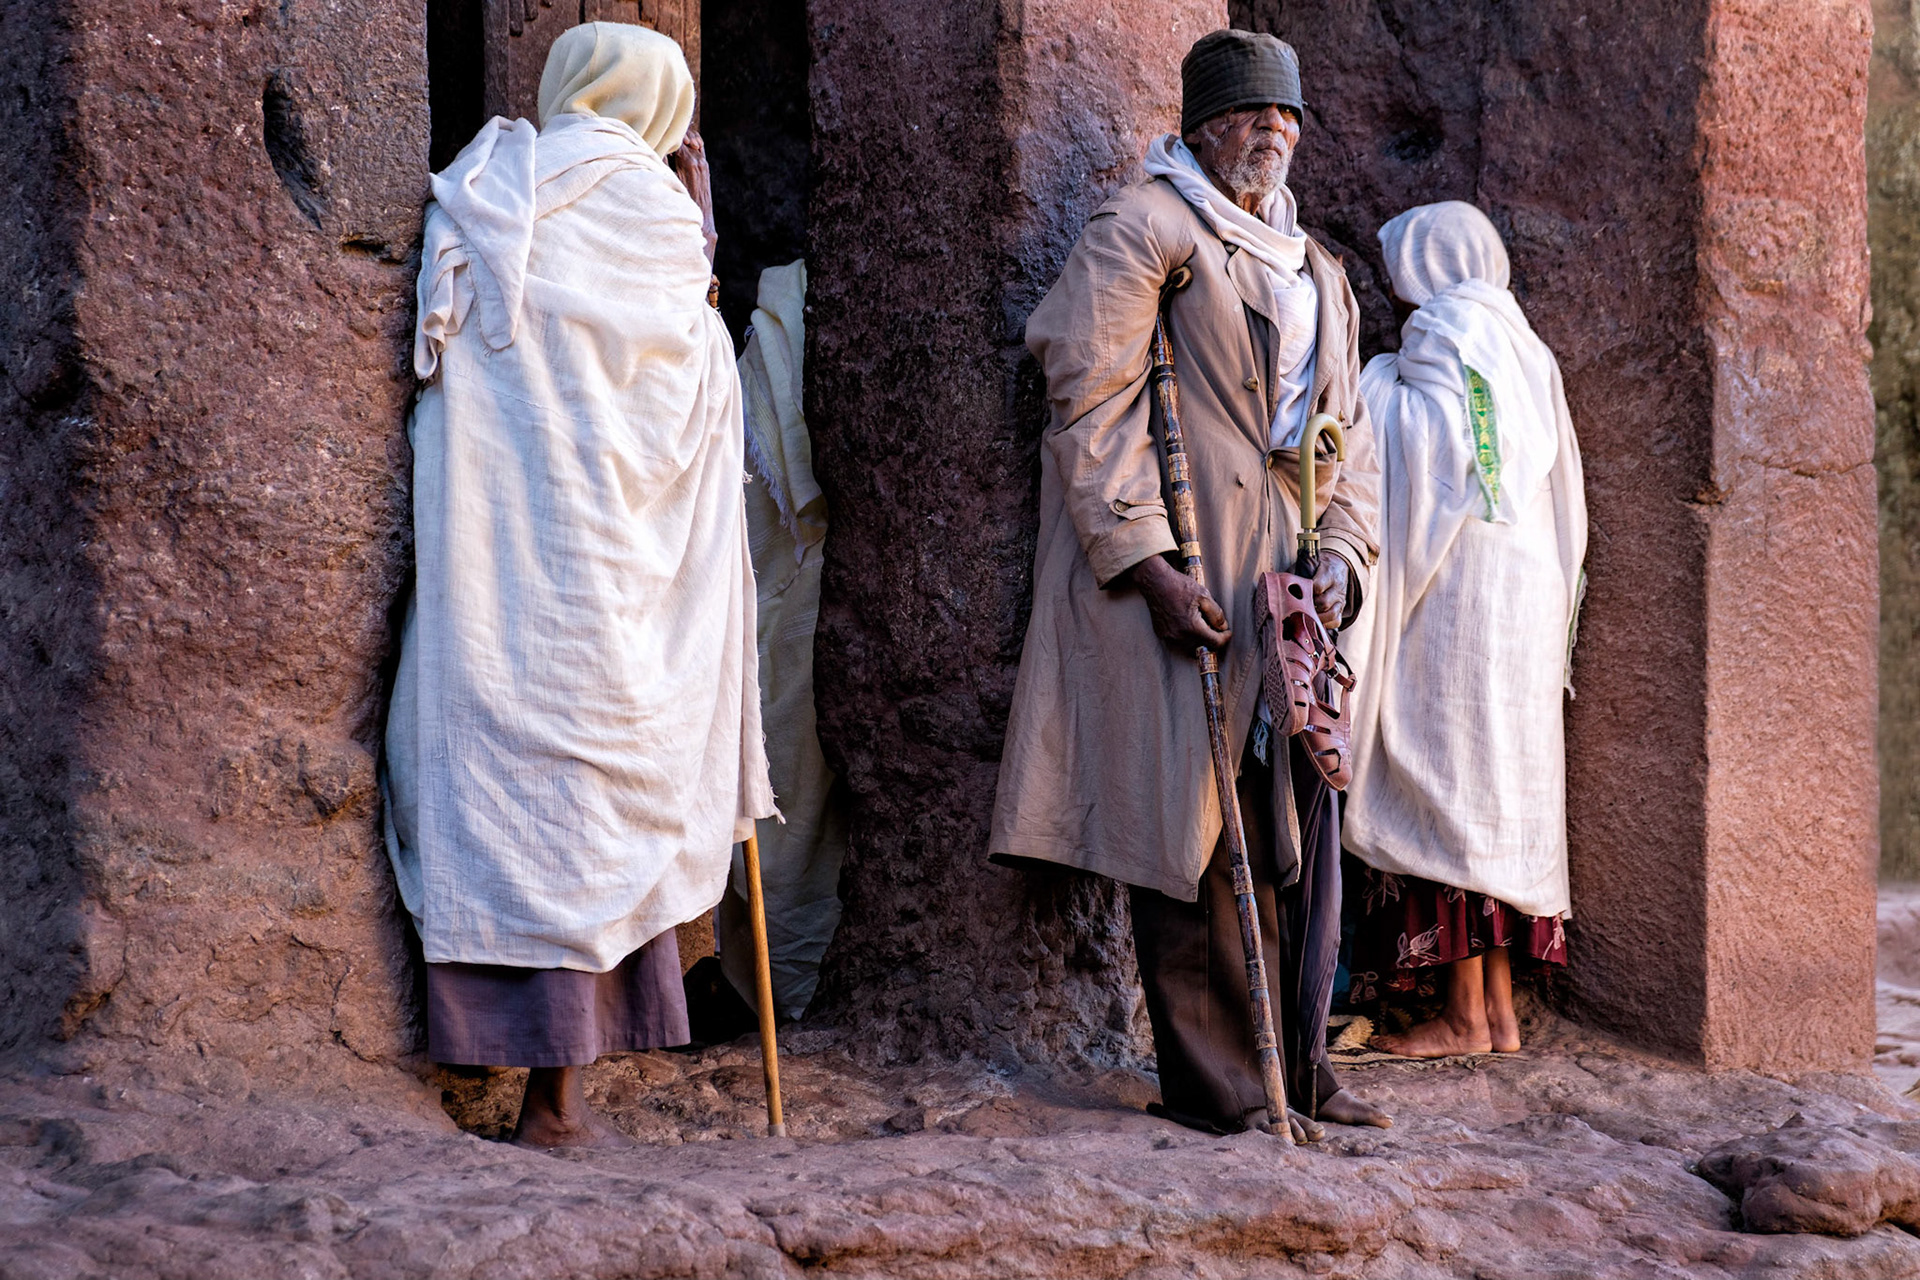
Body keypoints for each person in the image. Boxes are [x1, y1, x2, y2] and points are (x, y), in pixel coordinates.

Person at [992, 28, 1390, 1138]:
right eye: (1251, 113)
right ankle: (1221, 1083)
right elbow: (1088, 399)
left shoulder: (1317, 267)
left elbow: (1343, 437)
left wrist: (1346, 559)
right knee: (1189, 824)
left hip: (1291, 580)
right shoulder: (1145, 228)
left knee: (1297, 817)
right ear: (1203, 124)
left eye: (1288, 115)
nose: (1274, 131)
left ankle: (1299, 1063)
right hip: (1191, 560)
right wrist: (1150, 565)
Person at [383, 22, 773, 1147]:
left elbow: (454, 358)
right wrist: (698, 225)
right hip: (621, 582)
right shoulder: (658, 221)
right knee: (599, 810)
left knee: (505, 791)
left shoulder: (492, 183)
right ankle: (560, 1101)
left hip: (511, 567)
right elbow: (699, 382)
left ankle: (488, 1062)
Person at [1342, 201, 1587, 1058]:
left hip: (1460, 597)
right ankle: (1496, 1018)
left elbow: (1432, 450)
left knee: (1446, 785)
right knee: (1493, 796)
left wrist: (1370, 384)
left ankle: (1463, 1017)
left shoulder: (1446, 332)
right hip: (1524, 600)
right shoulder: (1525, 346)